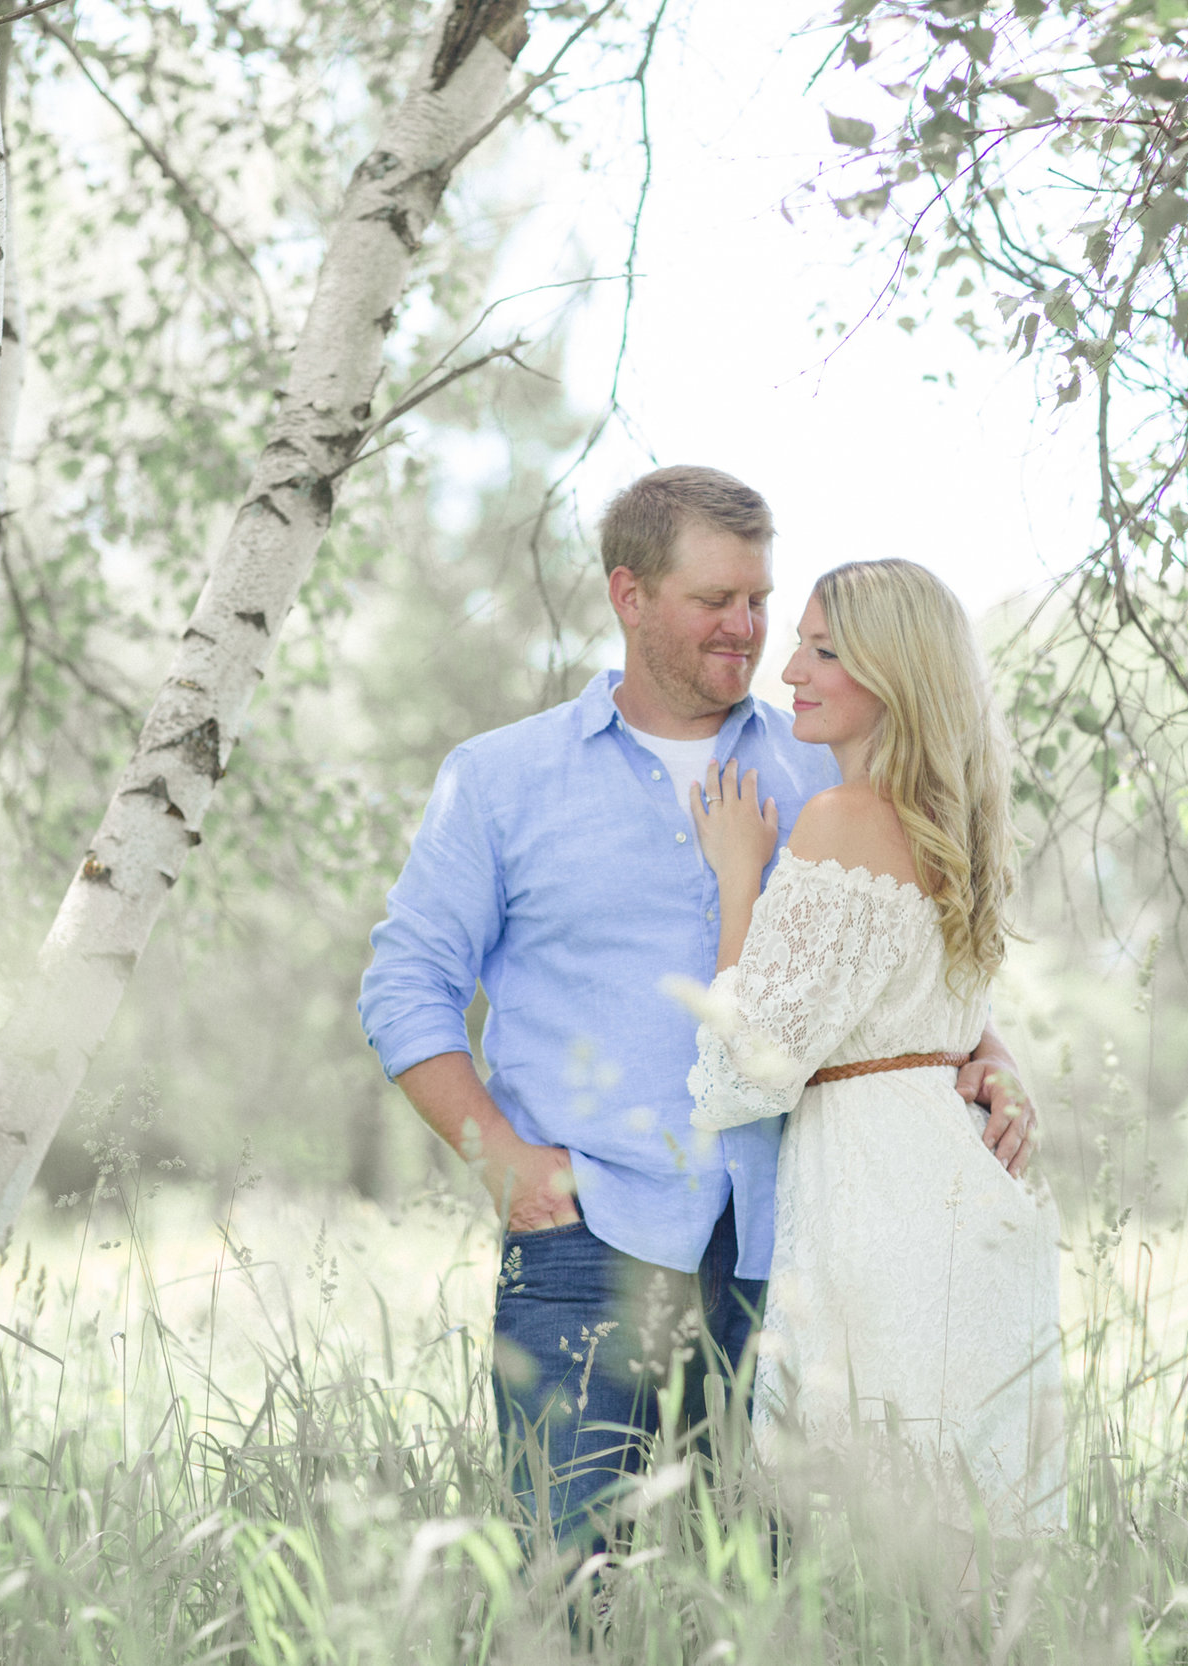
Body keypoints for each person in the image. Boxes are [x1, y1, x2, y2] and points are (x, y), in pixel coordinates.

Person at [356, 468, 1038, 1556]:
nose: (749, 629)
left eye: (760, 599)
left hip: (798, 1248)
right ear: (629, 596)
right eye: (714, 600)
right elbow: (404, 984)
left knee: (769, 1596)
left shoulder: (822, 755)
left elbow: (896, 943)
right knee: (574, 1584)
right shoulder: (499, 779)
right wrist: (500, 1158)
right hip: (589, 1236)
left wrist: (985, 1048)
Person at [684, 557, 1064, 1537]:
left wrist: (738, 874)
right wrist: (994, 1059)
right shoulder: (962, 828)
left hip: (884, 1214)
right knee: (971, 1536)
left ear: (891, 675)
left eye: (821, 651)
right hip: (969, 1201)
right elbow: (930, 1017)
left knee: (873, 1540)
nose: (790, 672)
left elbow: (749, 1070)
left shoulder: (841, 818)